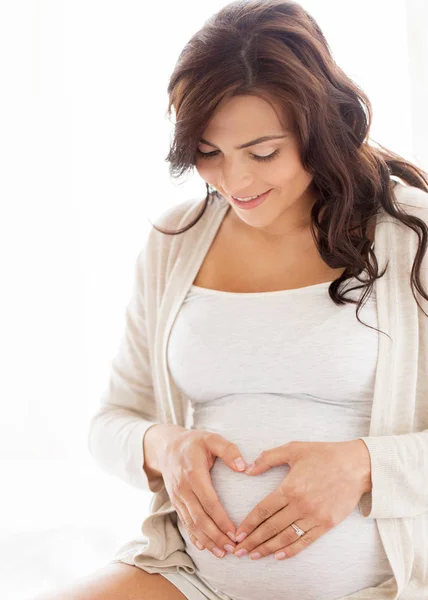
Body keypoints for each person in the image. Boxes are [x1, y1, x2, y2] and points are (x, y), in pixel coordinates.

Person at [32, 0, 428, 599]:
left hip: (381, 584)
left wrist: (364, 464)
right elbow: (110, 422)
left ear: (321, 125)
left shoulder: (411, 235)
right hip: (191, 577)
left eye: (262, 153)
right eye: (209, 153)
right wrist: (163, 446)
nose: (235, 182)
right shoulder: (177, 241)